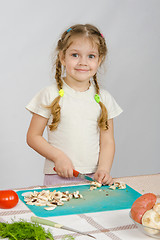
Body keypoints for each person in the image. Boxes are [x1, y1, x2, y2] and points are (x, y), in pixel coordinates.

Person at [26, 24, 123, 186]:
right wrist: (58, 157)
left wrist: (104, 169)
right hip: (57, 176)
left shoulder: (104, 98)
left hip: (92, 178)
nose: (83, 62)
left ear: (99, 60)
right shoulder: (49, 94)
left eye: (91, 56)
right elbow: (33, 136)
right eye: (75, 55)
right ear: (62, 57)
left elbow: (107, 141)